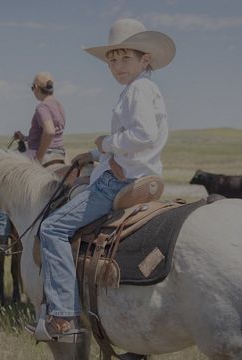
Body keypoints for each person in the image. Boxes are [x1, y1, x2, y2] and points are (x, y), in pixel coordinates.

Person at [30, 18, 175, 340]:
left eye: (126, 58)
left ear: (145, 59)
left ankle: (63, 316)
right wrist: (95, 156)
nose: (117, 66)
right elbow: (137, 146)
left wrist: (106, 144)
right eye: (112, 60)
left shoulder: (137, 89)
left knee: (51, 228)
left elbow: (142, 135)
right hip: (139, 172)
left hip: (119, 181)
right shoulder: (145, 88)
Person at [14, 72, 66, 166]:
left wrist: (39, 158)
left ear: (36, 87)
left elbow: (50, 132)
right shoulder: (59, 105)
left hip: (45, 154)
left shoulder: (42, 107)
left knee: (7, 162)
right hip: (59, 152)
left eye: (32, 88)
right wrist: (24, 138)